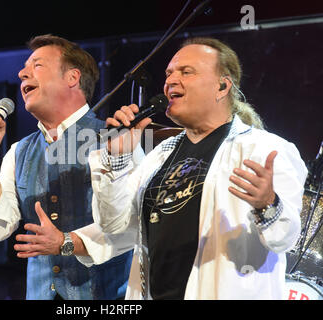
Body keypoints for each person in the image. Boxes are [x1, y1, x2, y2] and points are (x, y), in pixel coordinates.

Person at [87, 37, 308, 299]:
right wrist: (118, 159)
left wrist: (267, 203)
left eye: (186, 72)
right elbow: (113, 225)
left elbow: (285, 239)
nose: (170, 81)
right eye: (169, 73)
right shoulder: (159, 155)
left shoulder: (265, 150)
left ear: (223, 86)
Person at [0, 34, 133, 300]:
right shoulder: (18, 151)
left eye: (37, 65)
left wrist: (66, 243)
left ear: (72, 78)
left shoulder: (118, 138)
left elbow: (129, 226)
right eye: (24, 68)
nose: (22, 73)